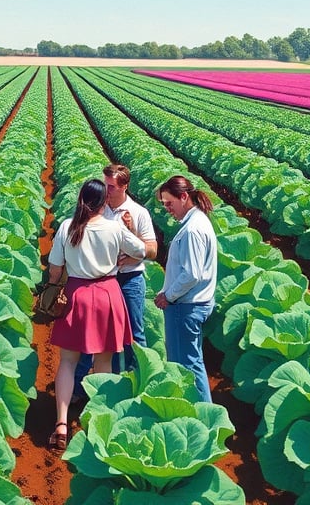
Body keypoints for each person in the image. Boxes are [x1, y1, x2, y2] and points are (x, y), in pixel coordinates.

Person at [46, 179, 147, 449]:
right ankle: (100, 420)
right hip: (107, 295)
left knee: (68, 362)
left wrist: (56, 282)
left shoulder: (68, 227)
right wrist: (127, 240)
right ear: (104, 203)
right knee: (103, 362)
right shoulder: (114, 228)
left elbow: (55, 267)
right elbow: (142, 251)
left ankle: (62, 423)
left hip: (76, 294)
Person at [73, 164, 157, 401]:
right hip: (100, 281)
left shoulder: (138, 213)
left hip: (129, 279)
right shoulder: (97, 208)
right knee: (91, 335)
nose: (106, 190)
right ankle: (81, 387)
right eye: (105, 184)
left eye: (111, 186)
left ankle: (136, 385)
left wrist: (131, 251)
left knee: (134, 333)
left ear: (124, 186)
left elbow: (152, 250)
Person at [153, 176, 217, 403]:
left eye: (169, 203)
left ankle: (201, 412)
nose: (167, 209)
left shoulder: (193, 230)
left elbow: (192, 274)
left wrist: (167, 296)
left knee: (186, 365)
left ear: (184, 197)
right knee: (192, 361)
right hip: (193, 304)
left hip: (186, 307)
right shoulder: (198, 221)